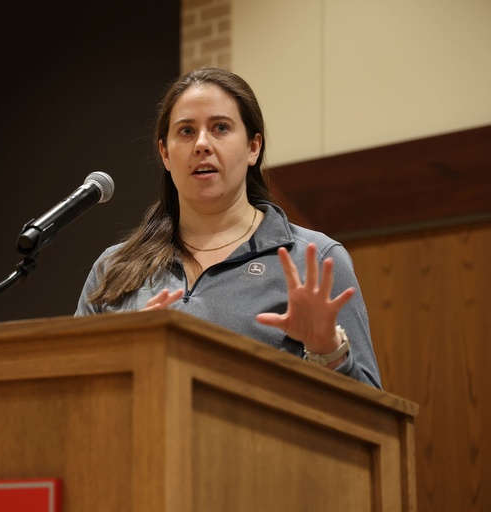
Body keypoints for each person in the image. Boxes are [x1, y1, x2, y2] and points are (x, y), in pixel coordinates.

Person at [74, 67, 381, 388]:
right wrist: (119, 358)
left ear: (253, 148)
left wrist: (327, 350)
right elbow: (70, 398)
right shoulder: (113, 268)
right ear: (165, 153)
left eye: (220, 128)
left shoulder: (313, 260)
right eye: (186, 131)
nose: (202, 144)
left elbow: (374, 420)